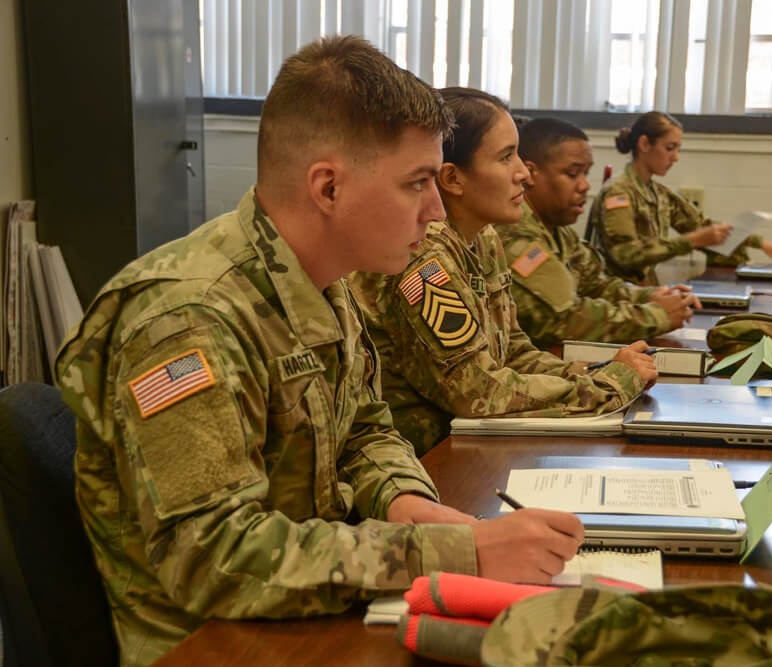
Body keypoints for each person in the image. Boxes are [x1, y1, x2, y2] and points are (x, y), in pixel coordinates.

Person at [54, 38, 584, 667]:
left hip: (308, 610)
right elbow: (213, 560)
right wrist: (460, 555)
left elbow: (363, 429)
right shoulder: (188, 318)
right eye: (417, 183)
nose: (436, 210)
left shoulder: (326, 282)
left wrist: (422, 512)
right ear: (328, 188)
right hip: (216, 642)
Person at [350, 89, 657, 455]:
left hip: (467, 444)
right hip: (427, 460)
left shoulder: (483, 238)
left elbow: (513, 351)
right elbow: (476, 390)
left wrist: (595, 373)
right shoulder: (425, 258)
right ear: (453, 178)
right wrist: (610, 385)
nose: (525, 174)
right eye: (507, 157)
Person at [495, 117, 701, 349]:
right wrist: (656, 315)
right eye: (573, 174)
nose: (585, 186)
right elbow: (564, 320)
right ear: (530, 173)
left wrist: (652, 296)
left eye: (586, 174)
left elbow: (596, 284)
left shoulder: (559, 232)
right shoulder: (516, 233)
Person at [589, 111, 772, 285]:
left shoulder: (657, 192)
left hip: (645, 292)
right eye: (669, 148)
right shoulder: (618, 193)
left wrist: (761, 243)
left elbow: (700, 226)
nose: (676, 157)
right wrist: (692, 241)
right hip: (616, 297)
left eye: (678, 149)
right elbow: (626, 255)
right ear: (644, 144)